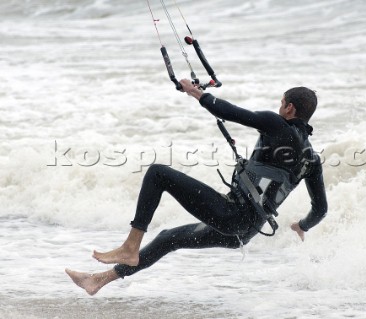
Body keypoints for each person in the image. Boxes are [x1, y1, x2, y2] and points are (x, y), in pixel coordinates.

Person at [65, 79, 328, 296]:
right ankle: (98, 281)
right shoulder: (312, 160)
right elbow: (320, 209)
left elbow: (231, 112)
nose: (279, 107)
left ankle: (130, 246)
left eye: (281, 103)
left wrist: (196, 93)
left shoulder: (277, 125)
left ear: (290, 109)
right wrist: (302, 226)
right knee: (169, 238)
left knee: (158, 174)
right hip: (246, 230)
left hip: (232, 215)